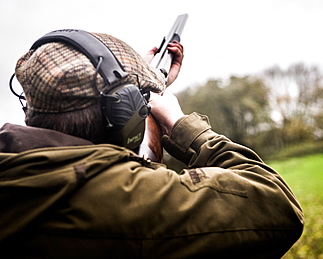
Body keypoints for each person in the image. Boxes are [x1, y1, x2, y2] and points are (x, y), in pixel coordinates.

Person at [0, 30, 304, 259]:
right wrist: (182, 126)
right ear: (122, 115)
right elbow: (279, 206)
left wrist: (128, 90)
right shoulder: (124, 203)